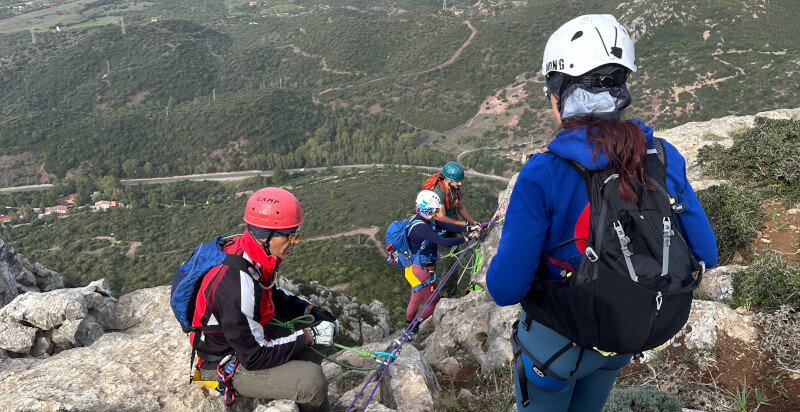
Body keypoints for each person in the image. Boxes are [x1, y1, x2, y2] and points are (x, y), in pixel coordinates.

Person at [485, 15, 718, 411]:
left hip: (556, 347)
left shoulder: (543, 172)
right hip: (622, 334)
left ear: (561, 91)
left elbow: (504, 289)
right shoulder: (661, 157)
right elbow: (707, 253)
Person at [191, 187, 338, 412]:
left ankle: (285, 388)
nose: (295, 241)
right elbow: (255, 356)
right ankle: (299, 390)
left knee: (315, 332)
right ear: (266, 235)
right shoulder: (235, 285)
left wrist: (310, 310)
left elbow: (270, 291)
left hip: (240, 343)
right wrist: (309, 336)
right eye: (289, 235)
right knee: (313, 382)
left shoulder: (249, 250)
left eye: (296, 234)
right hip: (223, 363)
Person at [405, 190, 478, 339]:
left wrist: (468, 228)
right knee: (434, 302)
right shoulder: (421, 227)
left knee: (416, 299)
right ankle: (414, 326)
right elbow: (443, 241)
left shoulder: (424, 220)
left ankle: (408, 324)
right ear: (430, 209)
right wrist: (466, 239)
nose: (437, 211)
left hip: (416, 269)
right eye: (435, 209)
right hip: (422, 270)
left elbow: (446, 225)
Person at [429, 161, 481, 297]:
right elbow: (441, 217)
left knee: (454, 261)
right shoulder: (438, 192)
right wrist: (466, 226)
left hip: (452, 228)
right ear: (448, 179)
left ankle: (449, 292)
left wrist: (474, 222)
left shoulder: (454, 189)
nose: (460, 184)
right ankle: (447, 295)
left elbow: (461, 207)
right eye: (457, 181)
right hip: (439, 231)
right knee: (450, 264)